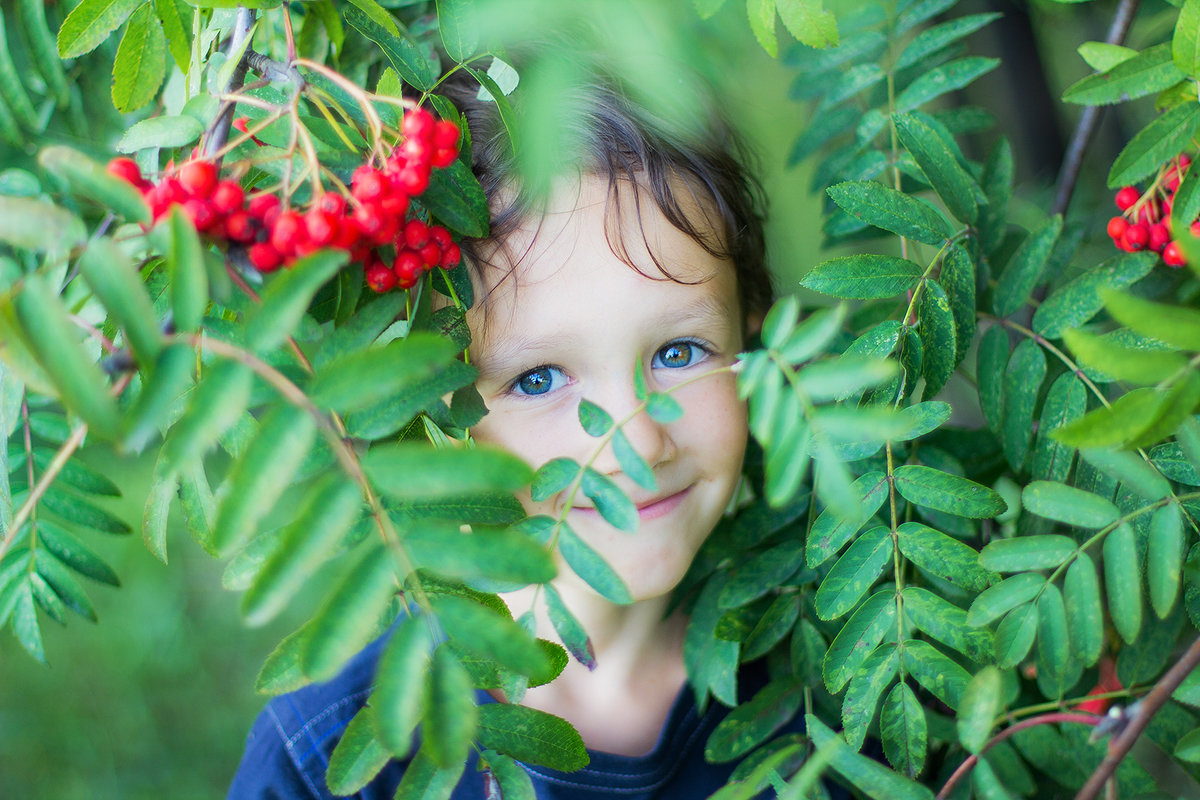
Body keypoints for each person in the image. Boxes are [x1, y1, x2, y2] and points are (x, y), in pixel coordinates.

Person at [228, 51, 802, 799]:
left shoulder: (842, 679)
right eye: (538, 379)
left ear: (752, 342)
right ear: (427, 407)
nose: (635, 441)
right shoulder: (334, 764)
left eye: (679, 351)